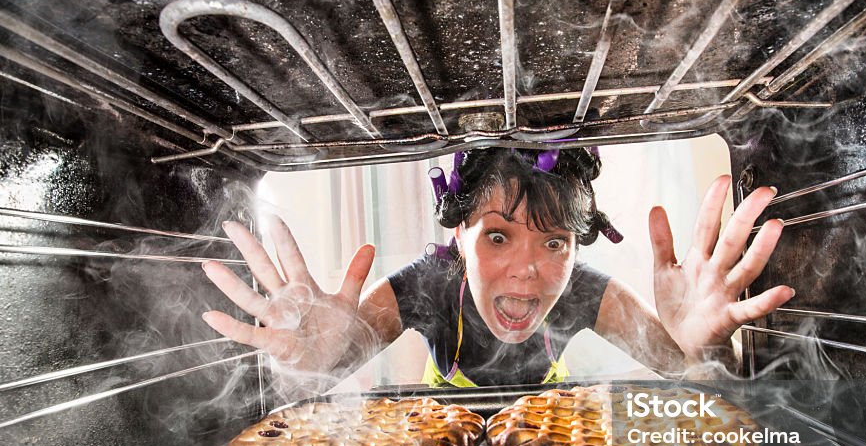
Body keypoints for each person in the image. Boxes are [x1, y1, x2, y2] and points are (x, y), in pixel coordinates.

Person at [200, 147, 793, 387]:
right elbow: (338, 352)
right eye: (499, 237)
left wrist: (705, 350)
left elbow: (689, 372)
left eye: (555, 243)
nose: (528, 272)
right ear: (458, 236)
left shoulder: (585, 291)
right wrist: (317, 361)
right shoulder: (428, 287)